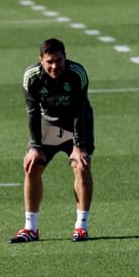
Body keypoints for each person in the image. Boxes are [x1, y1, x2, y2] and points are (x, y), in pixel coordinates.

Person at [10, 38, 94, 243]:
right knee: (32, 167)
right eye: (49, 61)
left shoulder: (77, 74)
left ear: (65, 58)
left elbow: (79, 111)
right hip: (47, 125)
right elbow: (32, 114)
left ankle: (81, 227)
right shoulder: (32, 77)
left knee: (81, 166)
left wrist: (78, 145)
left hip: (76, 124)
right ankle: (31, 228)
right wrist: (36, 148)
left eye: (58, 60)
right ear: (41, 60)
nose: (54, 66)